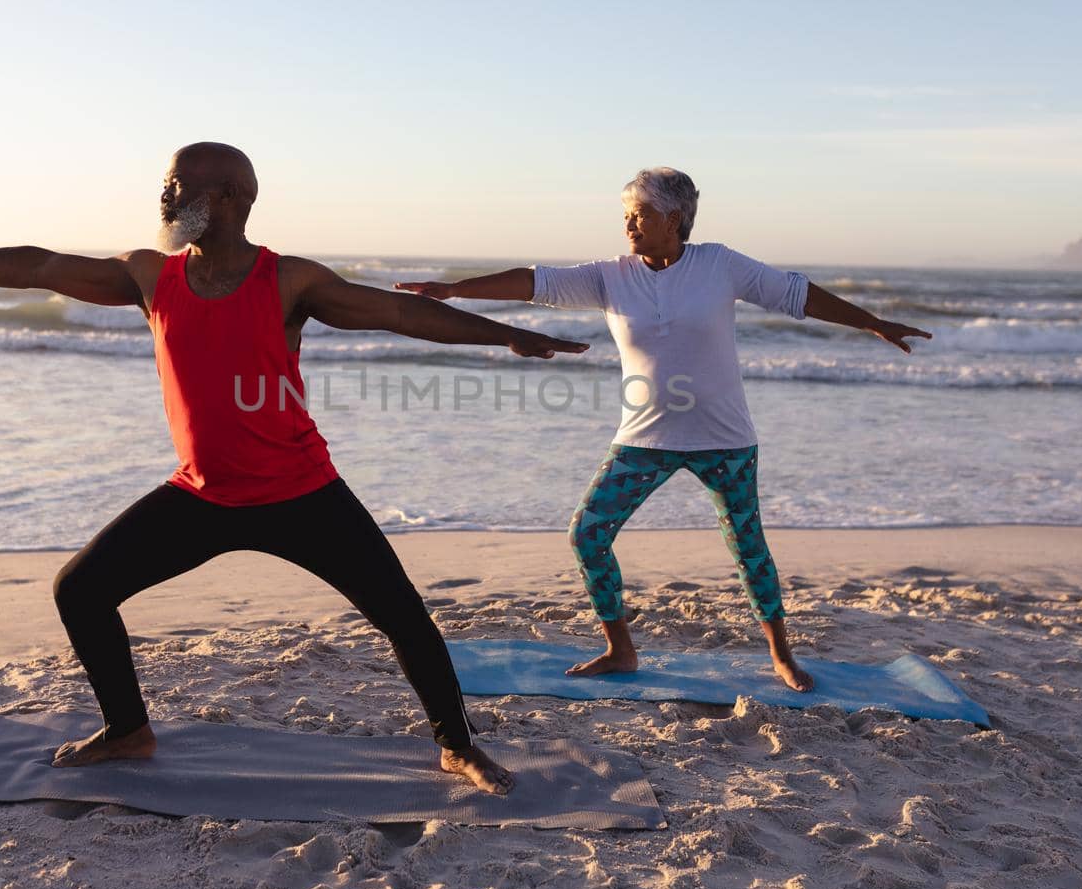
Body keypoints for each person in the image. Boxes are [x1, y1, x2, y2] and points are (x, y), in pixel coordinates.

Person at [0, 141, 588, 794]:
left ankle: (458, 745)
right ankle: (128, 729)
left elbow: (398, 315)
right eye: (166, 185)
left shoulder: (288, 281)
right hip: (200, 495)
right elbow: (36, 265)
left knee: (402, 615)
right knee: (80, 589)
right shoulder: (150, 276)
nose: (165, 197)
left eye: (178, 184)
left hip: (302, 491)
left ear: (230, 199)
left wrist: (508, 337)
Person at [395, 167, 930, 690]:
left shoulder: (719, 264)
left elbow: (800, 295)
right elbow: (536, 282)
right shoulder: (611, 275)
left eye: (641, 215)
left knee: (748, 548)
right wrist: (455, 289)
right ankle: (619, 649)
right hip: (644, 439)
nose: (629, 225)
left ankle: (782, 656)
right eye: (627, 215)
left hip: (724, 439)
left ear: (673, 219)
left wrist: (874, 322)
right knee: (587, 534)